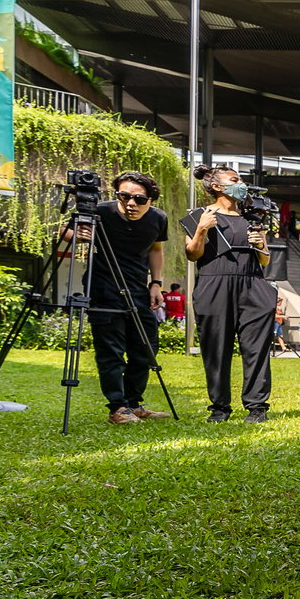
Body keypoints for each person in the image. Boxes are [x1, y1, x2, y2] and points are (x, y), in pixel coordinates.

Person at [67, 172, 171, 425]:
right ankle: (117, 407)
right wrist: (77, 235)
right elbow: (66, 232)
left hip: (138, 288)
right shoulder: (100, 211)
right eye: (123, 196)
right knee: (111, 350)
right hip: (103, 287)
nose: (130, 203)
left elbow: (156, 249)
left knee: (146, 348)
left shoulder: (158, 218)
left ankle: (134, 403)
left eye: (139, 198)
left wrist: (156, 283)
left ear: (150, 200)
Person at [183, 166, 275, 424]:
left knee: (256, 349)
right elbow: (192, 255)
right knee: (215, 348)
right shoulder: (200, 216)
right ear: (217, 187)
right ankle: (219, 407)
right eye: (235, 180)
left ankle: (257, 407)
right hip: (213, 285)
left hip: (253, 284)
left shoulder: (253, 218)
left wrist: (260, 244)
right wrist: (202, 229)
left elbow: (265, 261)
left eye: (241, 180)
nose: (241, 184)